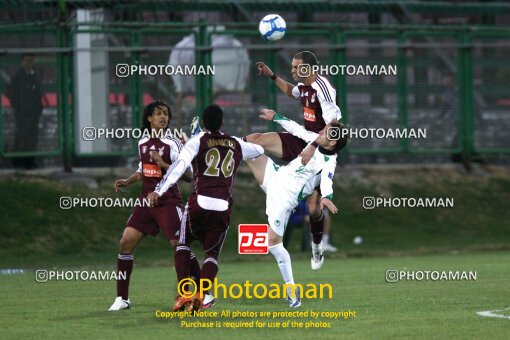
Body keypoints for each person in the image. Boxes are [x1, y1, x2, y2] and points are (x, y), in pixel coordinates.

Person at [147, 104, 264, 312]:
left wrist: (159, 190)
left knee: (183, 245)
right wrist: (246, 142)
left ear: (204, 122)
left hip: (199, 203)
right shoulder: (235, 144)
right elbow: (259, 150)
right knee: (211, 256)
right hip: (222, 206)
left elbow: (179, 167)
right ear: (222, 122)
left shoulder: (198, 141)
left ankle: (184, 295)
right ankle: (202, 296)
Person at [246, 51, 342, 270]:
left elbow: (333, 128)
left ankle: (317, 247)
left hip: (321, 149)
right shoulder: (305, 86)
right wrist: (272, 76)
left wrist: (315, 146)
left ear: (309, 68)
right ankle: (224, 145)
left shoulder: (323, 88)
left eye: (296, 67)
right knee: (256, 140)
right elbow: (292, 91)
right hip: (302, 139)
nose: (292, 71)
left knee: (313, 208)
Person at [245, 108, 347, 308]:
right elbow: (296, 128)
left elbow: (327, 181)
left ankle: (292, 291)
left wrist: (327, 197)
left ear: (333, 141)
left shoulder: (329, 162)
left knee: (273, 244)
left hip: (284, 200)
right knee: (248, 148)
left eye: (326, 131)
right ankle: (208, 142)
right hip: (274, 174)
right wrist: (276, 117)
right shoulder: (315, 140)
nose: (321, 131)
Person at [108, 100, 199, 311]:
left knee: (179, 245)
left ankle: (203, 288)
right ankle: (122, 298)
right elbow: (143, 170)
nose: (163, 117)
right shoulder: (142, 142)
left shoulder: (172, 143)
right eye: (158, 113)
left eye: (166, 114)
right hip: (146, 201)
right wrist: (128, 180)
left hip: (168, 200)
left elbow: (187, 175)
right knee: (125, 243)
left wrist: (164, 164)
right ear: (149, 118)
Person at [6, 53, 43, 169]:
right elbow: (10, 93)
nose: (29, 63)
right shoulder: (17, 77)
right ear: (22, 62)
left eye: (31, 60)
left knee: (32, 137)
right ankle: (19, 160)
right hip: (23, 112)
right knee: (22, 136)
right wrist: (19, 106)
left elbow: (37, 94)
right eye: (26, 60)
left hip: (34, 112)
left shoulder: (35, 76)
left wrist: (39, 107)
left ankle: (30, 160)